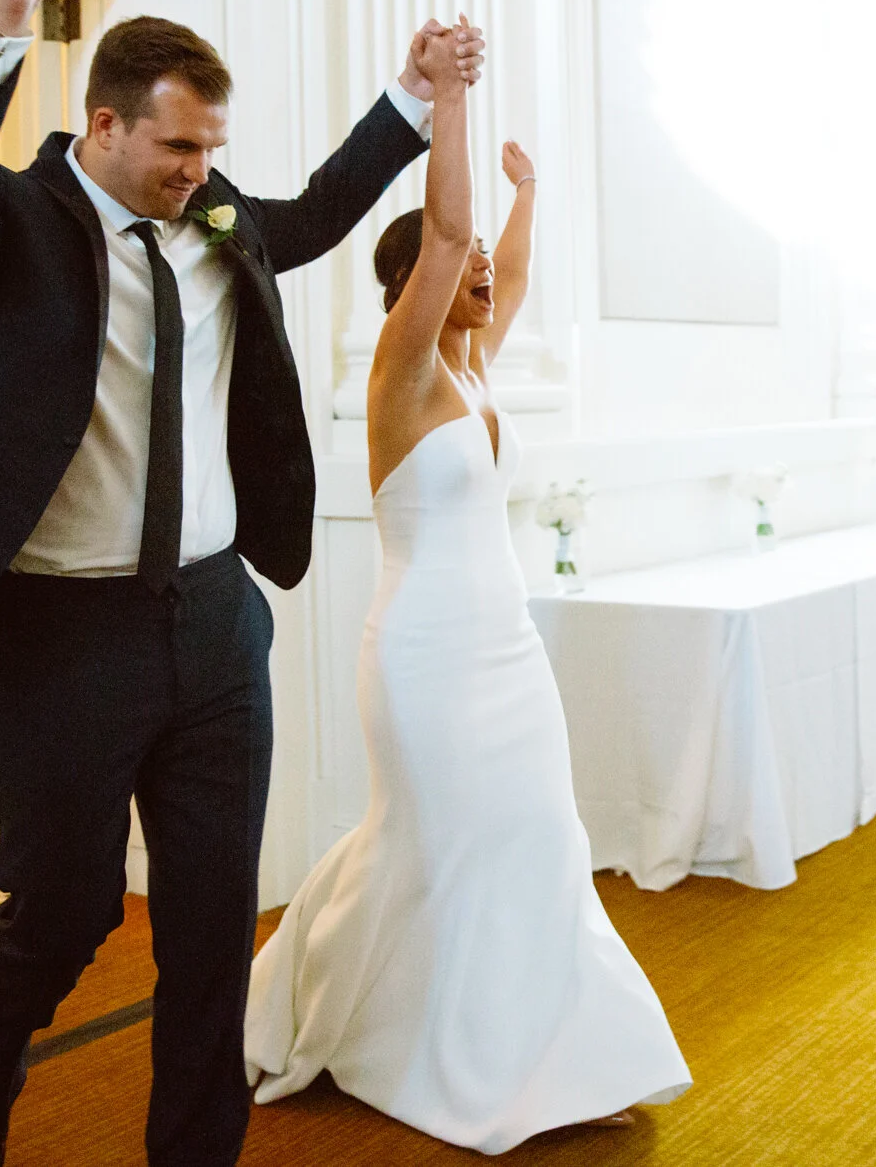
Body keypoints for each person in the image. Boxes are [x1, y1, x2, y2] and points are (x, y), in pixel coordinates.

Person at [0, 0, 483, 1167]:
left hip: (212, 626)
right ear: (104, 125)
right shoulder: (13, 226)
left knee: (210, 931)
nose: (200, 170)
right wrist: (2, 19)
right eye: (178, 145)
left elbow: (316, 210)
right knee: (67, 907)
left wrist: (413, 94)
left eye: (212, 146)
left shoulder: (214, 219)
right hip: (59, 637)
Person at [244, 88, 691, 1152]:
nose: (485, 272)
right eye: (466, 264)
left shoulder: (475, 364)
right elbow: (447, 232)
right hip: (424, 658)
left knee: (537, 834)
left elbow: (510, 270)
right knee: (435, 845)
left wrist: (528, 191)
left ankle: (551, 1056)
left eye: (487, 263)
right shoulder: (399, 374)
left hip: (506, 652)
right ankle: (384, 1029)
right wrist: (447, 99)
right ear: (417, 286)